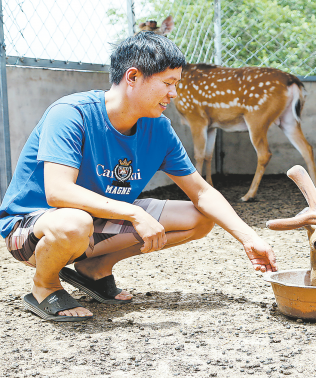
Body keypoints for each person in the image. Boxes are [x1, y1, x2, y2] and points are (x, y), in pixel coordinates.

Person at [0, 32, 277, 322]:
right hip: (34, 228)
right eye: (168, 83)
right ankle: (45, 285)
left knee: (201, 217)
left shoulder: (158, 128)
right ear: (132, 77)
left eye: (176, 84)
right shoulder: (71, 114)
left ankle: (96, 268)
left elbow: (203, 193)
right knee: (74, 223)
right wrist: (134, 213)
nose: (174, 94)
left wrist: (248, 238)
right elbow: (58, 191)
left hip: (94, 220)